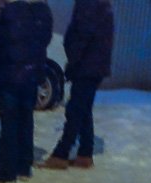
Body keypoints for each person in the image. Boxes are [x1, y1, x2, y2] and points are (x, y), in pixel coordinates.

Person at [0, 0, 52, 183]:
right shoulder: (43, 7)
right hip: (32, 70)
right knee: (26, 118)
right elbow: (45, 38)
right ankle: (24, 166)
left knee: (9, 121)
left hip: (7, 71)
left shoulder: (0, 6)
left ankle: (7, 170)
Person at [41, 0, 113, 170]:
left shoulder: (90, 4)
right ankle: (85, 154)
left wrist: (72, 60)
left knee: (75, 110)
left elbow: (81, 34)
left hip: (86, 65)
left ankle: (61, 154)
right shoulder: (102, 4)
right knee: (83, 109)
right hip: (95, 64)